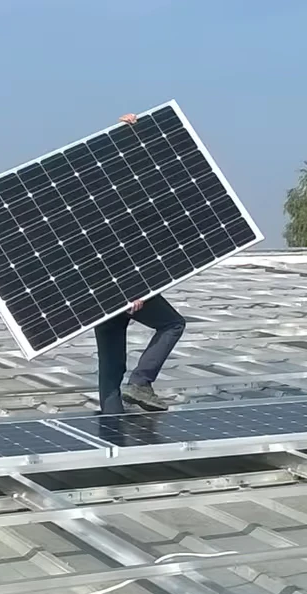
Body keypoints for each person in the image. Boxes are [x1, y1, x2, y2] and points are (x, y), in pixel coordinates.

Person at [94, 112, 185, 414]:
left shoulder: (92, 205)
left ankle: (111, 425)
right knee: (173, 323)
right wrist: (133, 290)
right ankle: (141, 382)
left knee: (110, 365)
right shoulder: (129, 207)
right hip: (127, 287)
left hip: (94, 292)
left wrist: (128, 134)